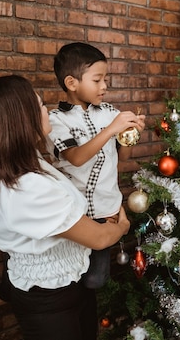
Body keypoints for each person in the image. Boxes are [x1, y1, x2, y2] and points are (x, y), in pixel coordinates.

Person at [0, 75, 131, 339]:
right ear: (21, 120)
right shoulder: (27, 187)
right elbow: (99, 238)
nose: (47, 111)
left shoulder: (26, 163)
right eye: (41, 106)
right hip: (50, 300)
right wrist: (122, 226)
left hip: (68, 286)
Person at [46, 42, 145, 290]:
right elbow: (76, 157)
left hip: (106, 211)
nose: (104, 86)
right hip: (75, 216)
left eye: (105, 79)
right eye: (97, 80)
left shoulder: (108, 112)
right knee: (72, 276)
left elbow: (123, 157)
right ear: (72, 83)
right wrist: (112, 129)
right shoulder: (56, 120)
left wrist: (130, 134)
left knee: (96, 279)